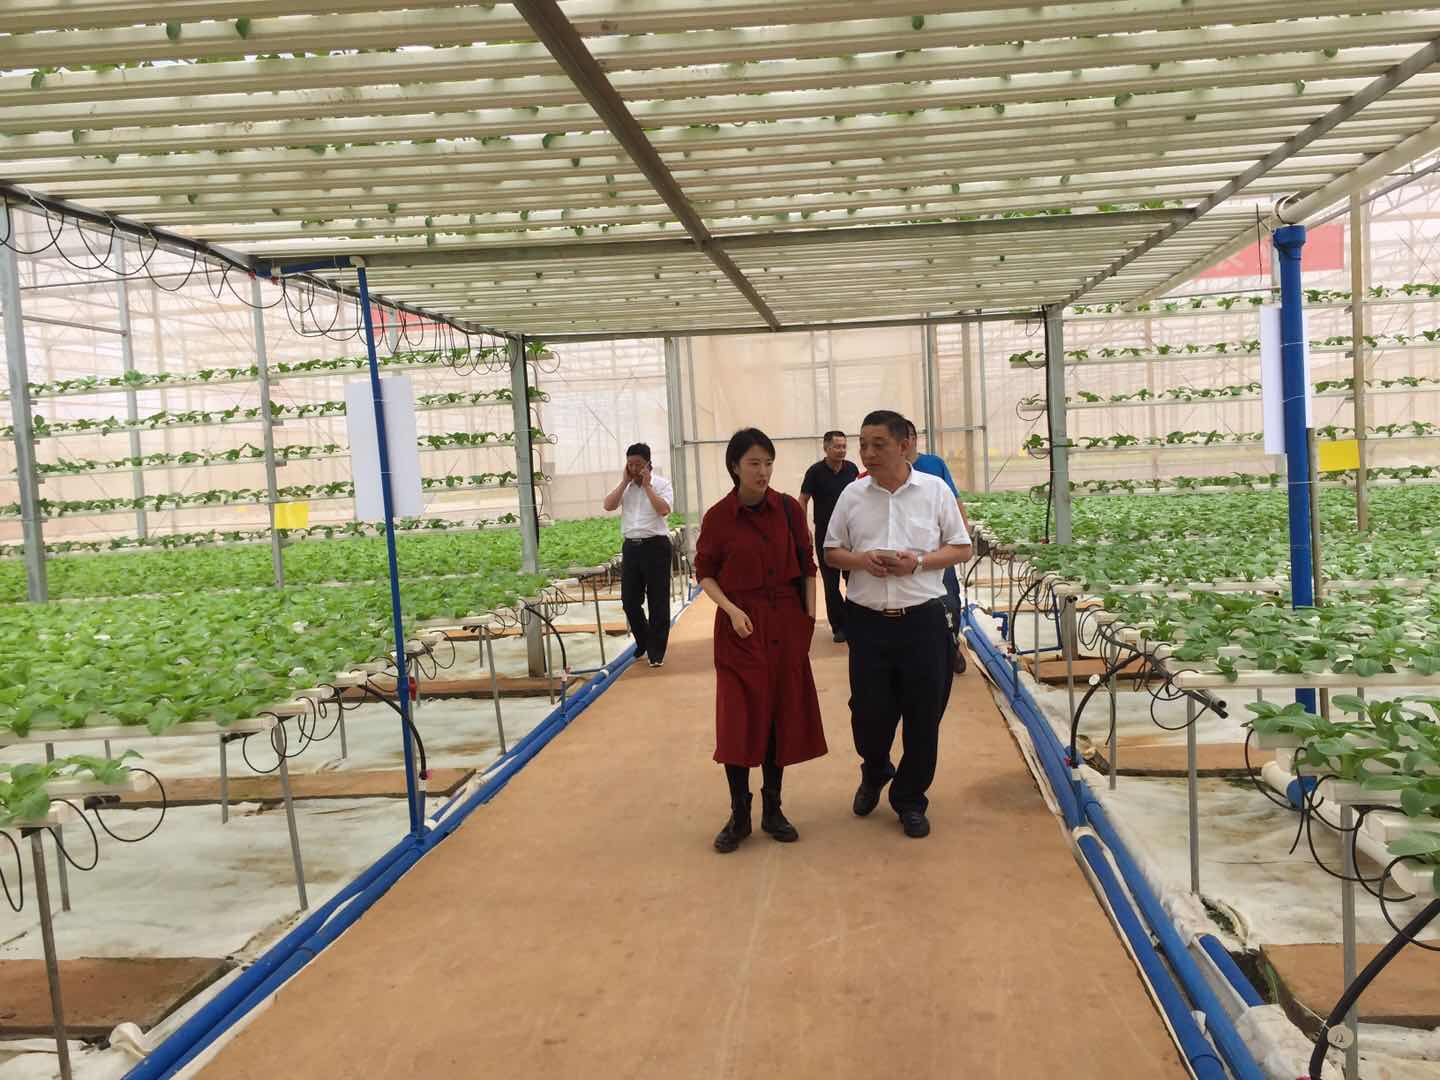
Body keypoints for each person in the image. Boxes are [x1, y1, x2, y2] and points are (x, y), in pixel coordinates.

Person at [823, 410, 973, 839]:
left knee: (924, 715)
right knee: (868, 714)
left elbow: (961, 547)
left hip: (922, 620)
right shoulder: (853, 495)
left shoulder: (934, 490)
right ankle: (875, 770)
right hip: (868, 623)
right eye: (863, 444)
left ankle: (909, 798)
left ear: (905, 444)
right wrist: (861, 560)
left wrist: (919, 562)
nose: (867, 453)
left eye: (878, 444)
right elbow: (832, 551)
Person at [694, 427, 827, 853]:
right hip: (740, 627)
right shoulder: (719, 517)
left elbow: (808, 566)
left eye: (768, 463)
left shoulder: (788, 509)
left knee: (778, 717)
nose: (763, 471)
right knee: (738, 719)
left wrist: (807, 622)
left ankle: (773, 809)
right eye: (754, 463)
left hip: (785, 624)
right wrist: (731, 610)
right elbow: (705, 573)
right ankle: (739, 814)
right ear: (735, 466)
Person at [602, 442, 674, 669]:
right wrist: (624, 482)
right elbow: (608, 505)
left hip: (656, 546)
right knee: (630, 601)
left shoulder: (662, 484)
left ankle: (656, 652)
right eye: (630, 464)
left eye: (638, 464)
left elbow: (663, 509)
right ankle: (644, 640)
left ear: (648, 464)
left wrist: (648, 486)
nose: (634, 468)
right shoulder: (625, 487)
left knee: (658, 600)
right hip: (631, 548)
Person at [799, 430, 859, 643]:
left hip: (851, 533)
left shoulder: (852, 469)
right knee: (831, 583)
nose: (841, 450)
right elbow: (803, 499)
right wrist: (803, 527)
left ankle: (855, 622)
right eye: (837, 446)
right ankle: (839, 626)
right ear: (826, 448)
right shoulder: (815, 472)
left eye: (844, 446)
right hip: (826, 533)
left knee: (854, 579)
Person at [904, 419, 972, 607]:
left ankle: (950, 623)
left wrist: (963, 533)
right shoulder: (887, 472)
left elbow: (955, 499)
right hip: (909, 545)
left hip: (940, 545)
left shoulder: (934, 464)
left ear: (913, 439)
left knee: (948, 595)